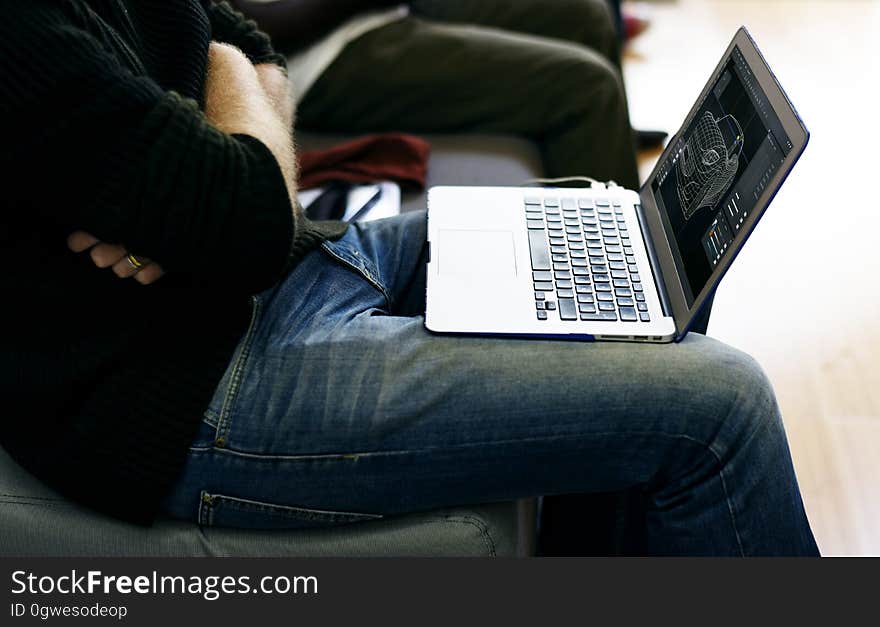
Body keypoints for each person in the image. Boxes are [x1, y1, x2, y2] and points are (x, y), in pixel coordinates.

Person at [0, 1, 819, 555]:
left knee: (625, 233)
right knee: (723, 403)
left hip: (271, 281)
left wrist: (216, 139)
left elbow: (240, 39)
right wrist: (224, 138)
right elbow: (247, 208)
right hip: (188, 393)